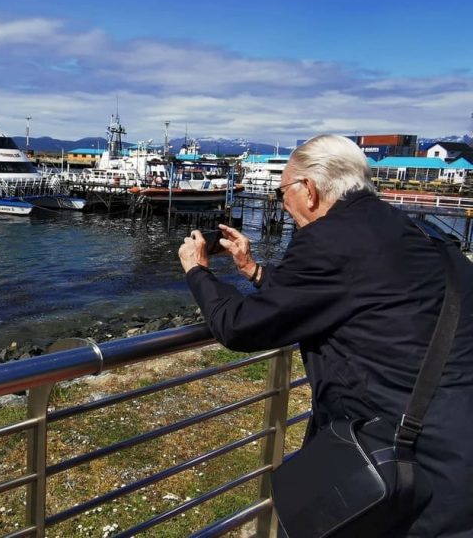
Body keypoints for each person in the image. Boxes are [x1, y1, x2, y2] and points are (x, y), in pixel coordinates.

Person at [178, 134, 473, 537]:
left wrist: (197, 271)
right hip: (454, 447)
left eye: (283, 191)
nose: (282, 203)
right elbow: (341, 292)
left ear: (309, 190)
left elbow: (240, 326)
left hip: (402, 466)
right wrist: (252, 269)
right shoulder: (411, 231)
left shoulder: (330, 239)